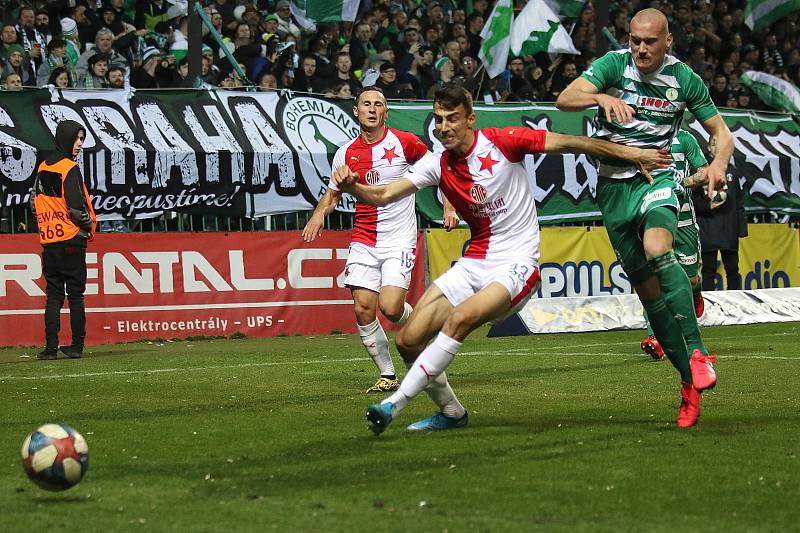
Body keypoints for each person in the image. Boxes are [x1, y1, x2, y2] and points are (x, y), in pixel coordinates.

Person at [331, 85, 671, 434]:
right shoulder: (438, 164)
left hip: (517, 262)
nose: (444, 127)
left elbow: (576, 143)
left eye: (452, 119)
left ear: (470, 119)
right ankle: (451, 412)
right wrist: (353, 187)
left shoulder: (504, 141)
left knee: (460, 319)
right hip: (476, 260)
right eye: (438, 120)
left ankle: (393, 404)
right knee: (409, 340)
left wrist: (633, 155)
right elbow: (384, 193)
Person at [556, 8, 734, 427]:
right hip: (613, 188)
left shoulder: (685, 79)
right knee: (651, 299)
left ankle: (696, 350)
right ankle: (689, 382)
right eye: (635, 40)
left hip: (658, 176)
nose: (640, 49)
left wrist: (719, 164)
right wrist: (600, 96)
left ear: (667, 41)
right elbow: (565, 99)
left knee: (659, 247)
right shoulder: (613, 65)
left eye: (649, 42)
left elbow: (720, 133)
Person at [302, 87, 436, 394]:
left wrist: (451, 206)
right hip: (364, 238)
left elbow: (438, 170)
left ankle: (421, 332)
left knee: (390, 308)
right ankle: (388, 373)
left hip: (399, 238)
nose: (372, 109)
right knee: (363, 308)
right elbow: (332, 194)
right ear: (356, 111)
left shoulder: (405, 142)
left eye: (379, 104)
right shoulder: (345, 153)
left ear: (386, 112)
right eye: (366, 104)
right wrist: (319, 214)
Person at [641, 130, 708, 360]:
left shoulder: (686, 139)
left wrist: (683, 182)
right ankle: (656, 337)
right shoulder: (639, 138)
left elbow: (704, 172)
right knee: (655, 276)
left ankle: (695, 291)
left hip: (684, 219)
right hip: (653, 215)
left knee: (689, 280)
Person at [32, 120, 96, 360]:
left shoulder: (42, 167)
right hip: (71, 239)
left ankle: (50, 348)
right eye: (77, 139)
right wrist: (87, 227)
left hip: (49, 240)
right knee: (76, 295)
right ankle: (76, 346)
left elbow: (33, 203)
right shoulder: (69, 168)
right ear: (67, 138)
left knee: (54, 296)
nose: (79, 144)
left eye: (82, 139)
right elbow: (77, 206)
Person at [696, 136, 747, 291]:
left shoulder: (732, 172)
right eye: (713, 144)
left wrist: (741, 228)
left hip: (728, 229)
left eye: (719, 144)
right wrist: (708, 205)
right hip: (708, 227)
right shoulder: (701, 171)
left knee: (732, 269)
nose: (716, 147)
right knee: (708, 270)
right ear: (709, 148)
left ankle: (736, 300)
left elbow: (739, 202)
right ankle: (709, 304)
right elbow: (695, 202)